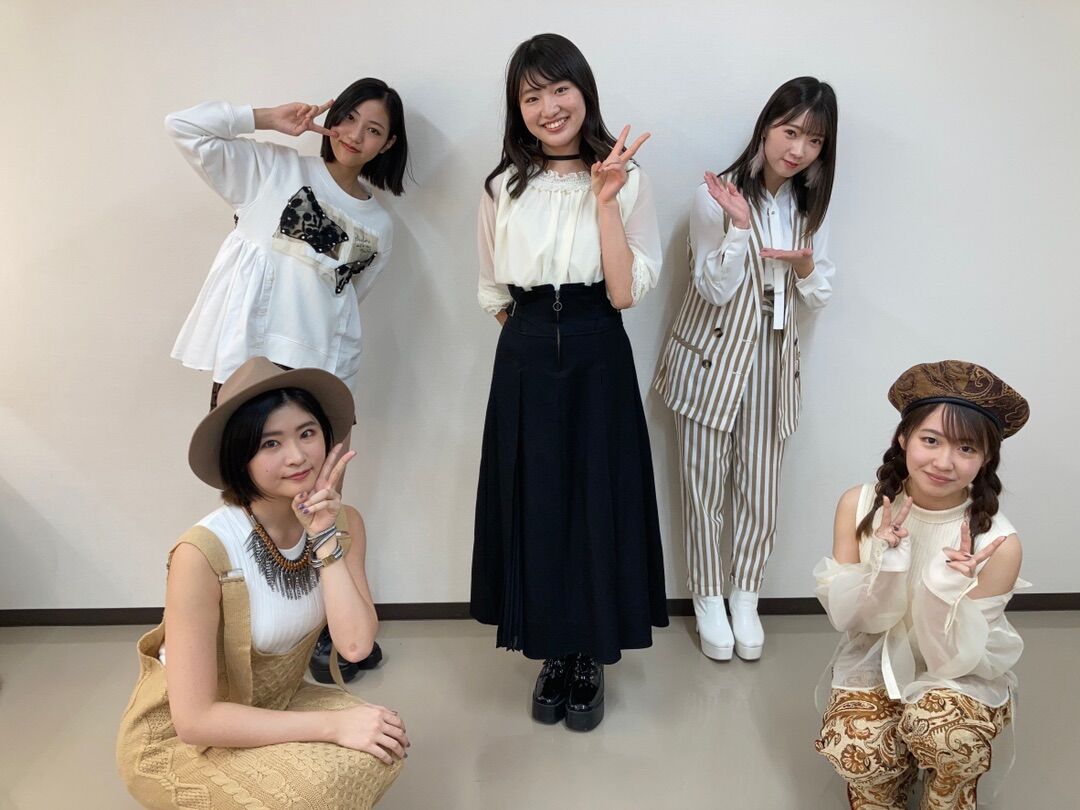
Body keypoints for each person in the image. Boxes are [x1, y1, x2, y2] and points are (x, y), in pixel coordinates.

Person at [470, 33, 668, 732]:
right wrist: (533, 344)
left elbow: (623, 293)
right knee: (537, 496)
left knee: (595, 496)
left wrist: (605, 200)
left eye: (560, 89)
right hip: (525, 348)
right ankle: (552, 649)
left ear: (584, 92)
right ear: (517, 108)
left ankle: (588, 653)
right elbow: (493, 289)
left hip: (597, 346)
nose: (549, 107)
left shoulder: (627, 178)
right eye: (532, 96)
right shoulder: (502, 185)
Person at [117, 357, 407, 808]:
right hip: (187, 737)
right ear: (240, 456)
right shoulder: (202, 552)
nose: (297, 456)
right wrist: (332, 725)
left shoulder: (343, 523)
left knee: (383, 743)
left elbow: (355, 646)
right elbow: (194, 721)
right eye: (270, 443)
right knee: (312, 794)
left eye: (307, 433)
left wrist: (324, 537)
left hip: (277, 701)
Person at [653, 76, 838, 660]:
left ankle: (745, 596)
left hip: (772, 354)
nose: (799, 149)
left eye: (814, 140)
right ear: (766, 127)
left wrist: (804, 267)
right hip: (710, 354)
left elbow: (819, 296)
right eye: (790, 131)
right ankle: (708, 599)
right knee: (703, 486)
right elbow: (711, 288)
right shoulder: (716, 195)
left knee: (760, 488)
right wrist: (737, 228)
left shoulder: (809, 207)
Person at [814, 360, 1030, 809]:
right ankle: (888, 777)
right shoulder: (859, 505)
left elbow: (952, 660)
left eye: (966, 448)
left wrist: (940, 591)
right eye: (930, 440)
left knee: (948, 736)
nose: (943, 462)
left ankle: (950, 787)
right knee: (857, 749)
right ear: (903, 438)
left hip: (957, 671)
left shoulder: (999, 543)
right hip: (876, 659)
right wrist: (889, 567)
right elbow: (852, 620)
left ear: (986, 458)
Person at [166, 77, 409, 406]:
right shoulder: (273, 169)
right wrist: (266, 118)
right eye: (350, 118)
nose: (355, 135)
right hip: (248, 357)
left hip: (320, 372)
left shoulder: (379, 225)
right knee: (240, 441)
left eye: (373, 130)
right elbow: (182, 126)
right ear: (334, 115)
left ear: (388, 143)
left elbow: (347, 300)